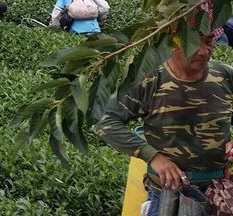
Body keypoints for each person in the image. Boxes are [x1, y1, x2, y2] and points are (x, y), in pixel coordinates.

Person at [93, 27, 233, 216]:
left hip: (220, 193)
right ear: (171, 43)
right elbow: (104, 120)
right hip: (167, 195)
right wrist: (153, 156)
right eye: (193, 43)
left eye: (209, 42)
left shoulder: (225, 75)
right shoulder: (149, 80)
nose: (203, 51)